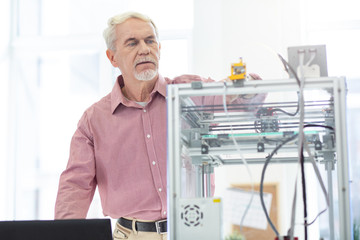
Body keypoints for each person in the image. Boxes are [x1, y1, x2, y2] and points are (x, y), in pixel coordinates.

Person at [55, 11, 265, 240]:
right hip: (132, 235)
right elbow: (75, 187)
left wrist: (243, 87)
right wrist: (64, 235)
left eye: (150, 40)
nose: (144, 48)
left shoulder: (188, 94)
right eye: (132, 43)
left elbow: (247, 103)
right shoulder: (94, 120)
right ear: (112, 57)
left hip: (192, 229)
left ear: (159, 48)